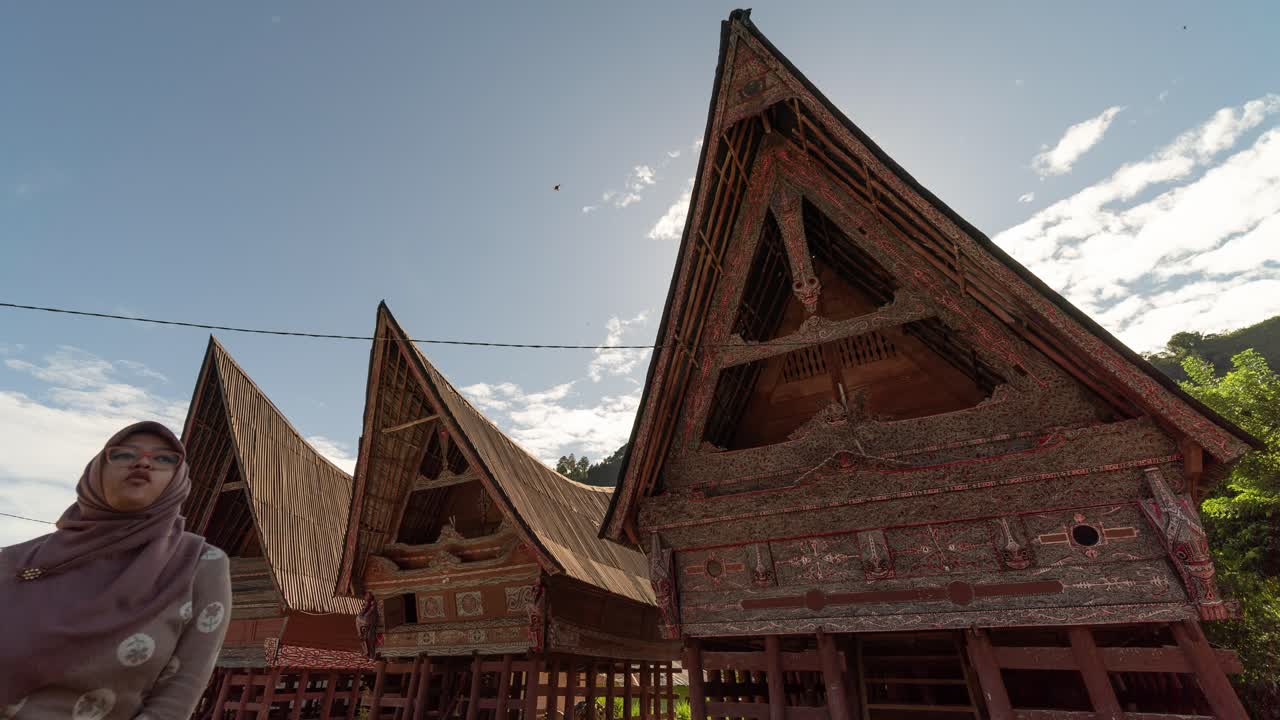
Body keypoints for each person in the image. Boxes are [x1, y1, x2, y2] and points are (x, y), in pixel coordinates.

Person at [0, 421, 232, 720]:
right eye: (123, 454)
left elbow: (178, 695)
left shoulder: (198, 565)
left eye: (164, 458)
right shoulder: (16, 561)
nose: (143, 462)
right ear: (95, 472)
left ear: (177, 481)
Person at [355, 591, 381, 660]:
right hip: (364, 625)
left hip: (370, 625)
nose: (366, 599)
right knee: (365, 639)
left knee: (370, 639)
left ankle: (371, 655)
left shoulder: (373, 606)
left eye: (368, 597)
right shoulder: (366, 606)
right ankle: (367, 654)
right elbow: (361, 616)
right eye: (366, 597)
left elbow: (369, 615)